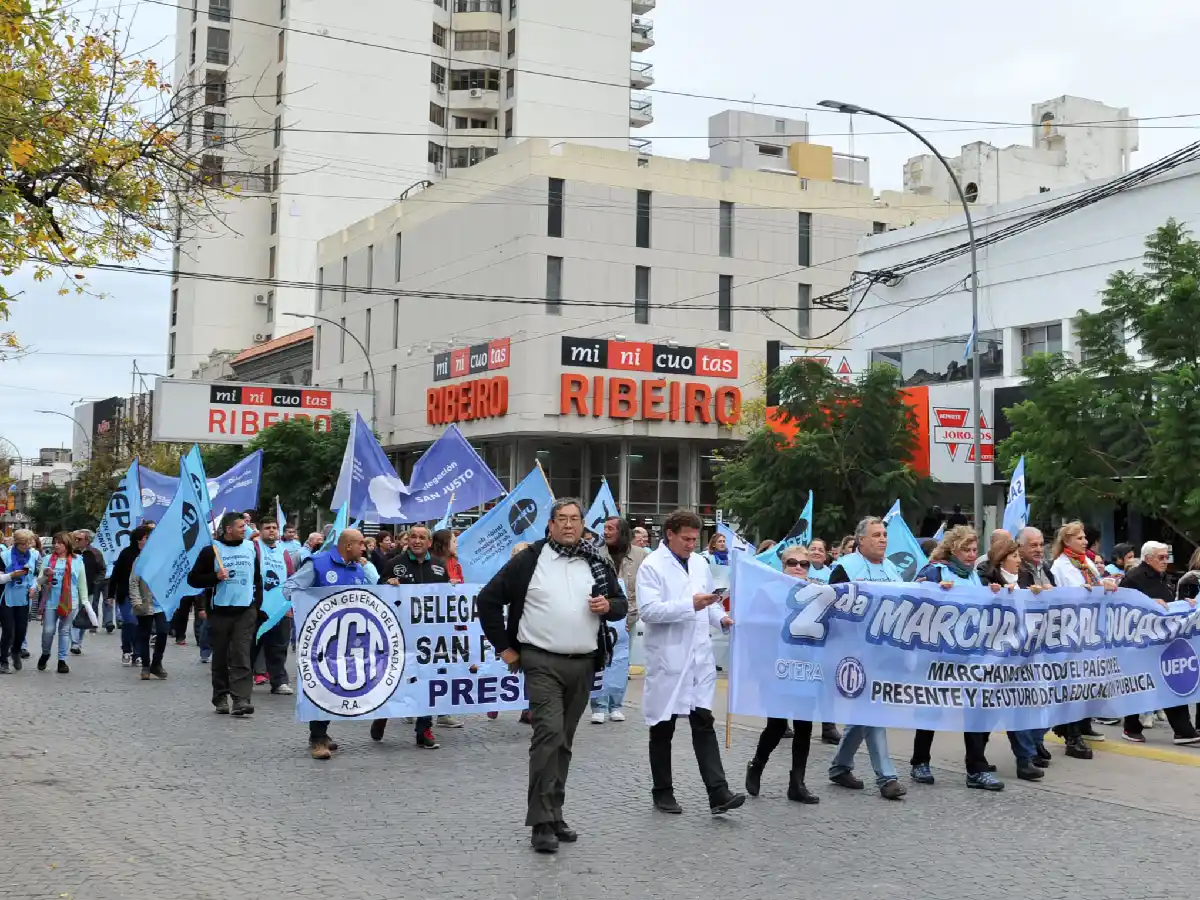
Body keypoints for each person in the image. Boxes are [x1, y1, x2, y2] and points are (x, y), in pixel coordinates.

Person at [478, 498, 626, 853]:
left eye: (575, 519)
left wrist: (608, 606)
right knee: (548, 735)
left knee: (563, 742)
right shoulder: (530, 559)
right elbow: (487, 600)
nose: (569, 525)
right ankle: (541, 822)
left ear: (582, 524)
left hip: (584, 663)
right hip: (541, 660)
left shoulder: (596, 560)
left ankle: (555, 812)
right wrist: (505, 648)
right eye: (562, 519)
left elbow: (620, 605)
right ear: (550, 524)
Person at [638, 508, 743, 817]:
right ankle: (662, 791)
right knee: (663, 726)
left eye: (694, 539)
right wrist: (690, 605)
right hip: (669, 659)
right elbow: (649, 611)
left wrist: (721, 618)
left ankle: (718, 792)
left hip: (699, 659)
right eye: (685, 539)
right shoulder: (651, 566)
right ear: (670, 534)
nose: (690, 545)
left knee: (703, 722)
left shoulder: (699, 563)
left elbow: (709, 603)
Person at [910, 526, 1005, 792]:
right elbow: (912, 601)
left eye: (975, 550)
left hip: (970, 655)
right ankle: (920, 761)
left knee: (975, 709)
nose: (972, 555)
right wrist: (934, 592)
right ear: (953, 549)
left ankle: (976, 768)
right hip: (938, 655)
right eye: (966, 550)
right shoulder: (935, 571)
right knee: (931, 708)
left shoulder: (974, 576)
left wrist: (994, 595)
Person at [826, 518, 906, 800]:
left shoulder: (892, 569)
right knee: (873, 708)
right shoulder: (845, 568)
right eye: (876, 535)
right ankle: (887, 776)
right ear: (861, 540)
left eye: (884, 534)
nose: (883, 539)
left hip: (885, 652)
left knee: (865, 711)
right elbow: (832, 607)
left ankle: (840, 766)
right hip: (855, 653)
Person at [744, 544, 821, 805]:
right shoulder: (767, 592)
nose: (798, 567)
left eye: (804, 564)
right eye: (792, 563)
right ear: (783, 565)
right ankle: (757, 764)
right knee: (776, 725)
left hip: (807, 668)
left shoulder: (818, 593)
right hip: (776, 668)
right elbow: (755, 632)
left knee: (804, 726)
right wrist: (760, 669)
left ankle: (797, 783)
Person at [284, 528, 369, 760]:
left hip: (346, 639)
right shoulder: (318, 564)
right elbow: (290, 588)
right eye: (361, 544)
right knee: (321, 685)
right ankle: (317, 738)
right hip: (320, 638)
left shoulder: (358, 568)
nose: (364, 548)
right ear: (348, 545)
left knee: (336, 686)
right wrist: (303, 605)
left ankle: (322, 730)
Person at [982, 536, 1051, 780]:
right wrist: (997, 595)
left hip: (1025, 654)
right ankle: (985, 757)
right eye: (1014, 556)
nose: (1019, 561)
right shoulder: (988, 581)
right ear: (1002, 559)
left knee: (1025, 704)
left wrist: (1039, 596)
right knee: (997, 709)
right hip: (999, 656)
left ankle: (1027, 755)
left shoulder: (1024, 579)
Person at [1048, 521, 1117, 757]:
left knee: (1088, 682)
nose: (1085, 541)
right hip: (1072, 631)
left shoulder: (1086, 562)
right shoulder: (1060, 566)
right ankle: (1072, 734)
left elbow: (1095, 585)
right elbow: (1068, 596)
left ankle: (1081, 724)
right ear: (1067, 541)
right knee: (1073, 684)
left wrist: (1104, 584)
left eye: (1085, 537)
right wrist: (1095, 588)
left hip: (1091, 630)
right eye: (1079, 538)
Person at [1120, 541, 1200, 745]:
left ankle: (1183, 730)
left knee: (1171, 681)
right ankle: (1131, 727)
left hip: (1162, 640)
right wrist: (1148, 604)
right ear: (1148, 558)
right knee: (1140, 684)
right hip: (1141, 642)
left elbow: (1167, 605)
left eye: (1167, 557)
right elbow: (1122, 606)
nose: (1166, 561)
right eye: (1161, 557)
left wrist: (1183, 604)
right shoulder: (1134, 577)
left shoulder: (1160, 577)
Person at [376, 524, 451, 744]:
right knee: (396, 678)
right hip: (400, 633)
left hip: (428, 635)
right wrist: (387, 584)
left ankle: (424, 729)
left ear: (429, 542)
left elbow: (445, 597)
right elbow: (378, 591)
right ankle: (383, 713)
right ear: (408, 540)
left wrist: (453, 589)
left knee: (426, 679)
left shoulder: (439, 566)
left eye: (422, 537)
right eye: (413, 537)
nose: (417, 541)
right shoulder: (394, 564)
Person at [187, 512, 262, 717]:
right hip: (220, 611)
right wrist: (215, 577)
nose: (245, 529)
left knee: (241, 654)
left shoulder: (251, 548)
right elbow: (193, 579)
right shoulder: (211, 550)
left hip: (245, 610)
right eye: (241, 526)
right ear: (229, 529)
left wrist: (257, 606)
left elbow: (257, 579)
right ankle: (220, 696)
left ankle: (241, 699)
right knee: (220, 655)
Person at [591, 516, 648, 724]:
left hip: (628, 617)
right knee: (600, 662)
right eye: (605, 528)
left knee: (621, 662)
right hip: (601, 617)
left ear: (622, 532)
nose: (606, 532)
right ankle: (598, 705)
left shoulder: (641, 555)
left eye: (610, 528)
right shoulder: (595, 553)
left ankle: (616, 705)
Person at [251, 518, 295, 695]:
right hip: (257, 606)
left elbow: (290, 576)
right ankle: (241, 681)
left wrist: (289, 605)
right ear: (260, 531)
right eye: (267, 528)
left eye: (274, 528)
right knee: (251, 646)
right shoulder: (253, 548)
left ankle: (279, 682)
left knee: (278, 647)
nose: (271, 530)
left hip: (279, 607)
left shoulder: (284, 552)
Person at [36, 532, 87, 675]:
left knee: (64, 631)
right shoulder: (47, 559)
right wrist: (45, 576)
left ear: (67, 544)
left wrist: (85, 602)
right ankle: (45, 653)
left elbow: (82, 583)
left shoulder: (77, 560)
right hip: (51, 601)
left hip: (70, 602)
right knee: (48, 631)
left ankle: (62, 661)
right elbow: (39, 581)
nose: (56, 545)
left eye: (59, 543)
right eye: (55, 542)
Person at [109, 524, 154, 667]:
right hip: (126, 594)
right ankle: (127, 651)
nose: (149, 540)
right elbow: (115, 575)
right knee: (130, 622)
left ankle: (138, 653)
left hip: (145, 595)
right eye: (147, 537)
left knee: (141, 625)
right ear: (139, 539)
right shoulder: (126, 554)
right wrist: (110, 594)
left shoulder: (151, 554)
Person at [0, 529, 38, 674]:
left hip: (23, 598)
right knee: (8, 631)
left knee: (21, 631)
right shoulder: (4, 556)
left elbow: (35, 576)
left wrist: (33, 587)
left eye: (28, 543)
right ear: (16, 543)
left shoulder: (33, 556)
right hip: (7, 598)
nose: (26, 546)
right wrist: (12, 575)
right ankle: (3, 661)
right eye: (22, 544)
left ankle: (16, 651)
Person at [128, 558, 169, 680]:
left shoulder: (166, 558)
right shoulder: (141, 559)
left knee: (163, 631)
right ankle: (145, 666)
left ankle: (156, 663)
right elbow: (134, 582)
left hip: (162, 604)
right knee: (144, 635)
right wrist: (136, 602)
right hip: (145, 603)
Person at [74, 529, 109, 646]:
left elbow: (102, 570)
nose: (76, 541)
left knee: (82, 615)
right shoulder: (72, 552)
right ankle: (74, 642)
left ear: (87, 541)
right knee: (72, 615)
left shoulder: (95, 553)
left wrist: (96, 582)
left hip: (88, 589)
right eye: (75, 539)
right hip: (72, 590)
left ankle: (78, 642)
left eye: (79, 539)